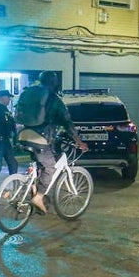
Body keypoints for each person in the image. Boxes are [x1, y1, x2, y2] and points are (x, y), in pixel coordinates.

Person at [16, 72, 86, 214]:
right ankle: (39, 196)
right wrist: (78, 141)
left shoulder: (31, 93)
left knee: (41, 163)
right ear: (53, 82)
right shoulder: (53, 99)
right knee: (50, 167)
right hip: (40, 138)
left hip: (24, 135)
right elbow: (67, 122)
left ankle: (34, 189)